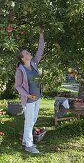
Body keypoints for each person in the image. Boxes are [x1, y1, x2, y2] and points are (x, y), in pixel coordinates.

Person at [15, 26, 44, 154]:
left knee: (33, 120)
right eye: (26, 53)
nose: (29, 53)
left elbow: (40, 51)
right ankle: (29, 145)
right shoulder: (20, 70)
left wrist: (41, 35)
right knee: (29, 123)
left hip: (38, 97)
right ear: (23, 58)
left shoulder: (34, 64)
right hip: (29, 100)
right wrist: (27, 95)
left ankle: (26, 141)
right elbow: (18, 86)